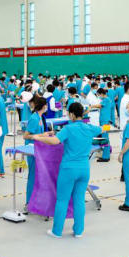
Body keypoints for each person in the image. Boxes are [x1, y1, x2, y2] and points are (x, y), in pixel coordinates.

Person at [24, 102, 98, 238]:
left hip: (69, 169)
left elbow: (54, 141)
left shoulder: (68, 129)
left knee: (62, 200)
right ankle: (78, 231)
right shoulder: (90, 128)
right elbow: (103, 129)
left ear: (71, 114)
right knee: (79, 199)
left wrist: (38, 137)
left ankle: (57, 231)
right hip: (84, 169)